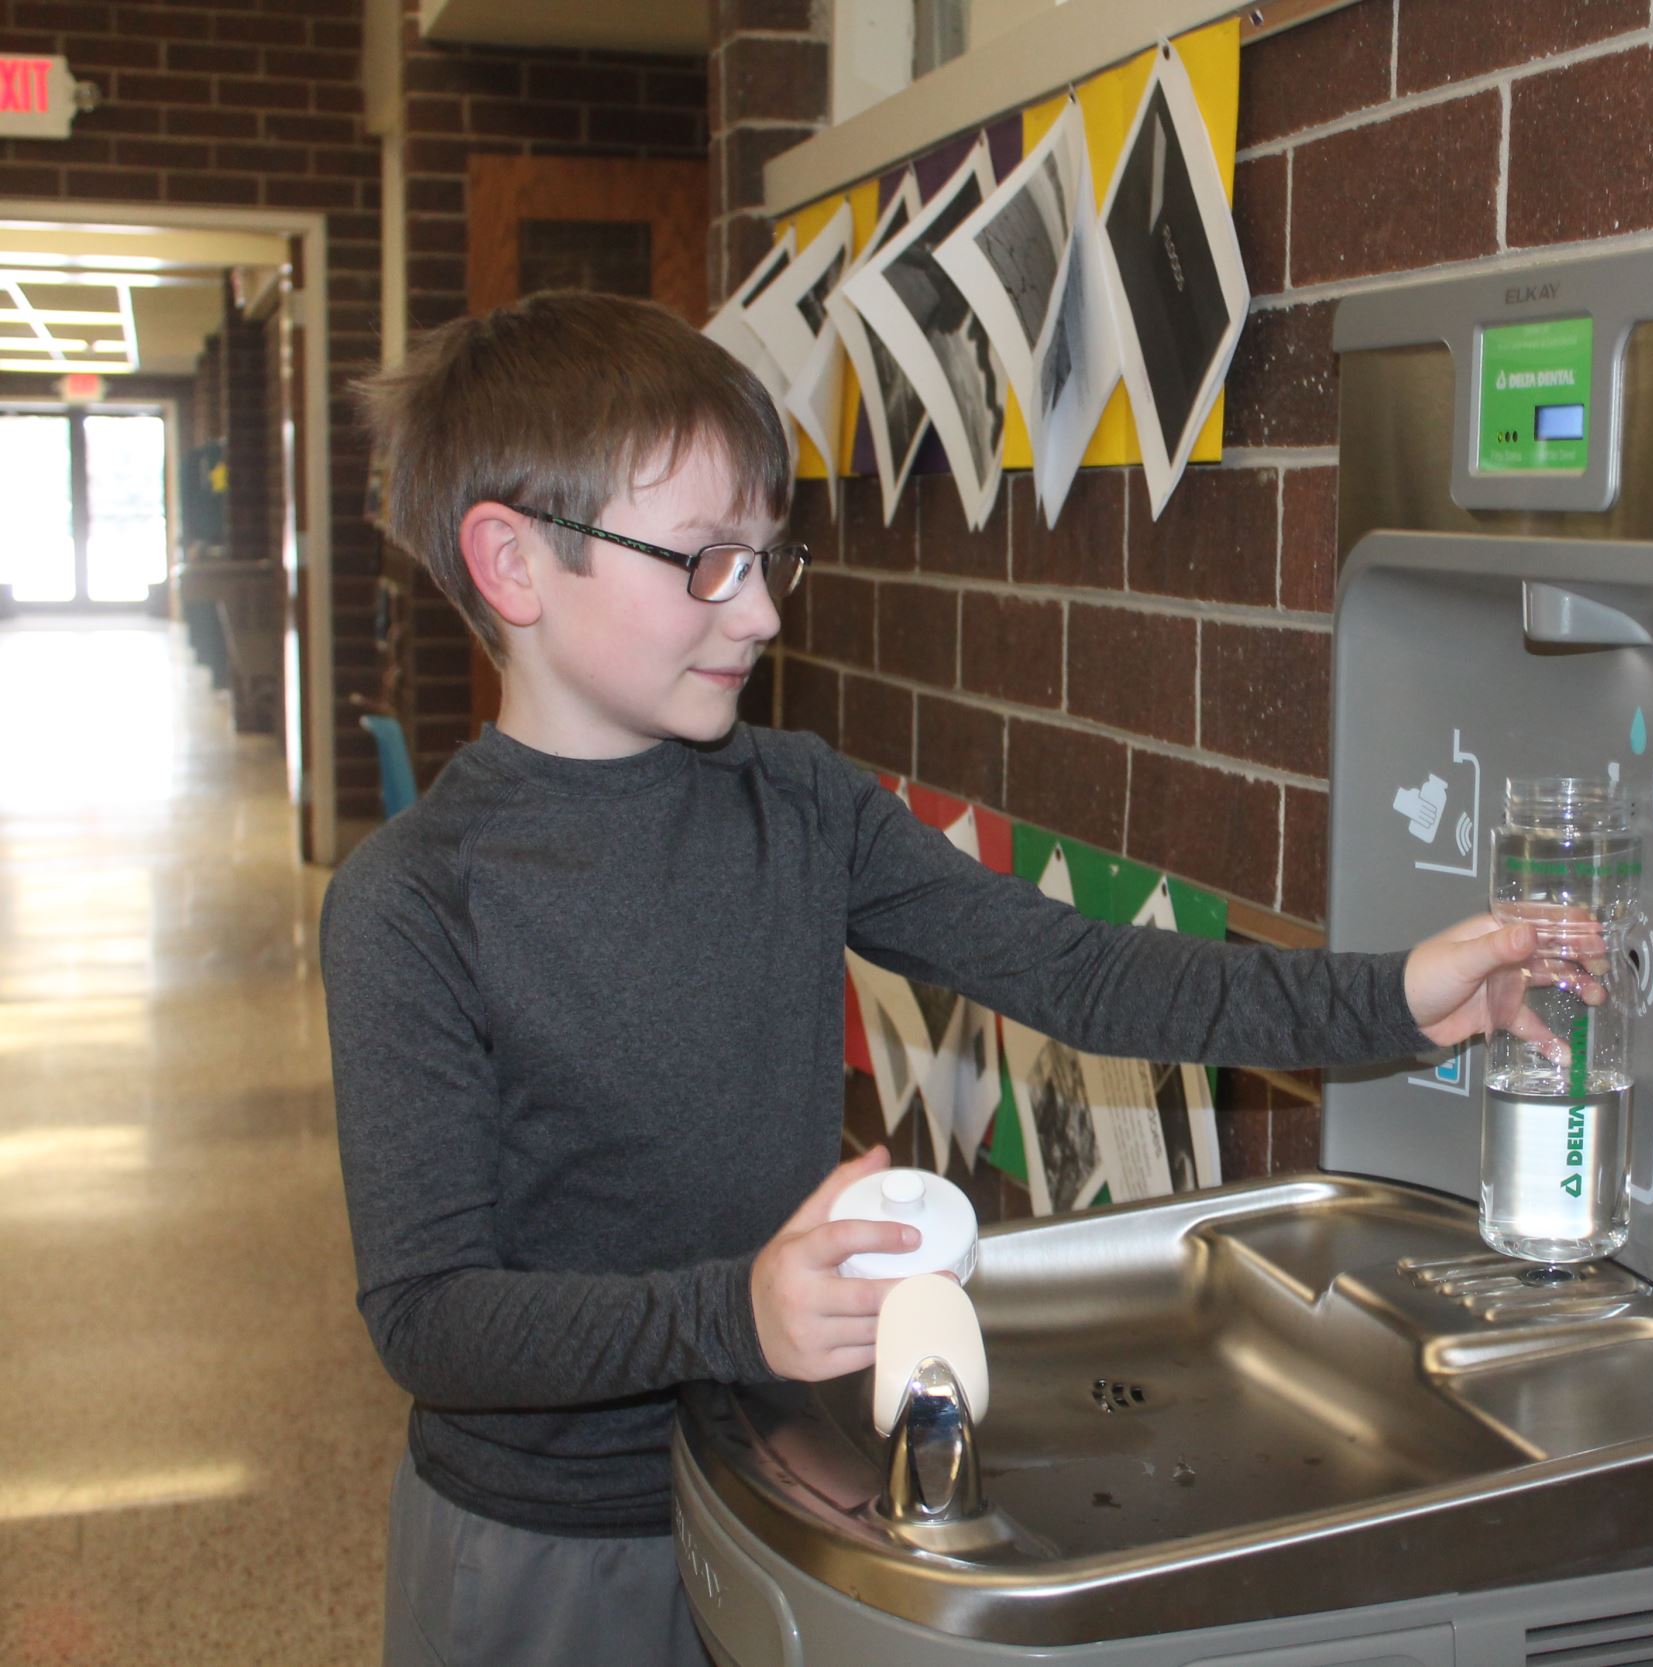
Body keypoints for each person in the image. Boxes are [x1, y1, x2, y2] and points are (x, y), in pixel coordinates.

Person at [324, 290, 1542, 1667]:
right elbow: (430, 1318)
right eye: (705, 560)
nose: (762, 612)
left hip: (773, 1485)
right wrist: (733, 1312)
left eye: (771, 555)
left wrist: (1388, 999)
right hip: (541, 1552)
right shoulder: (414, 903)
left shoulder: (799, 804)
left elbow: (1080, 972)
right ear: (514, 565)